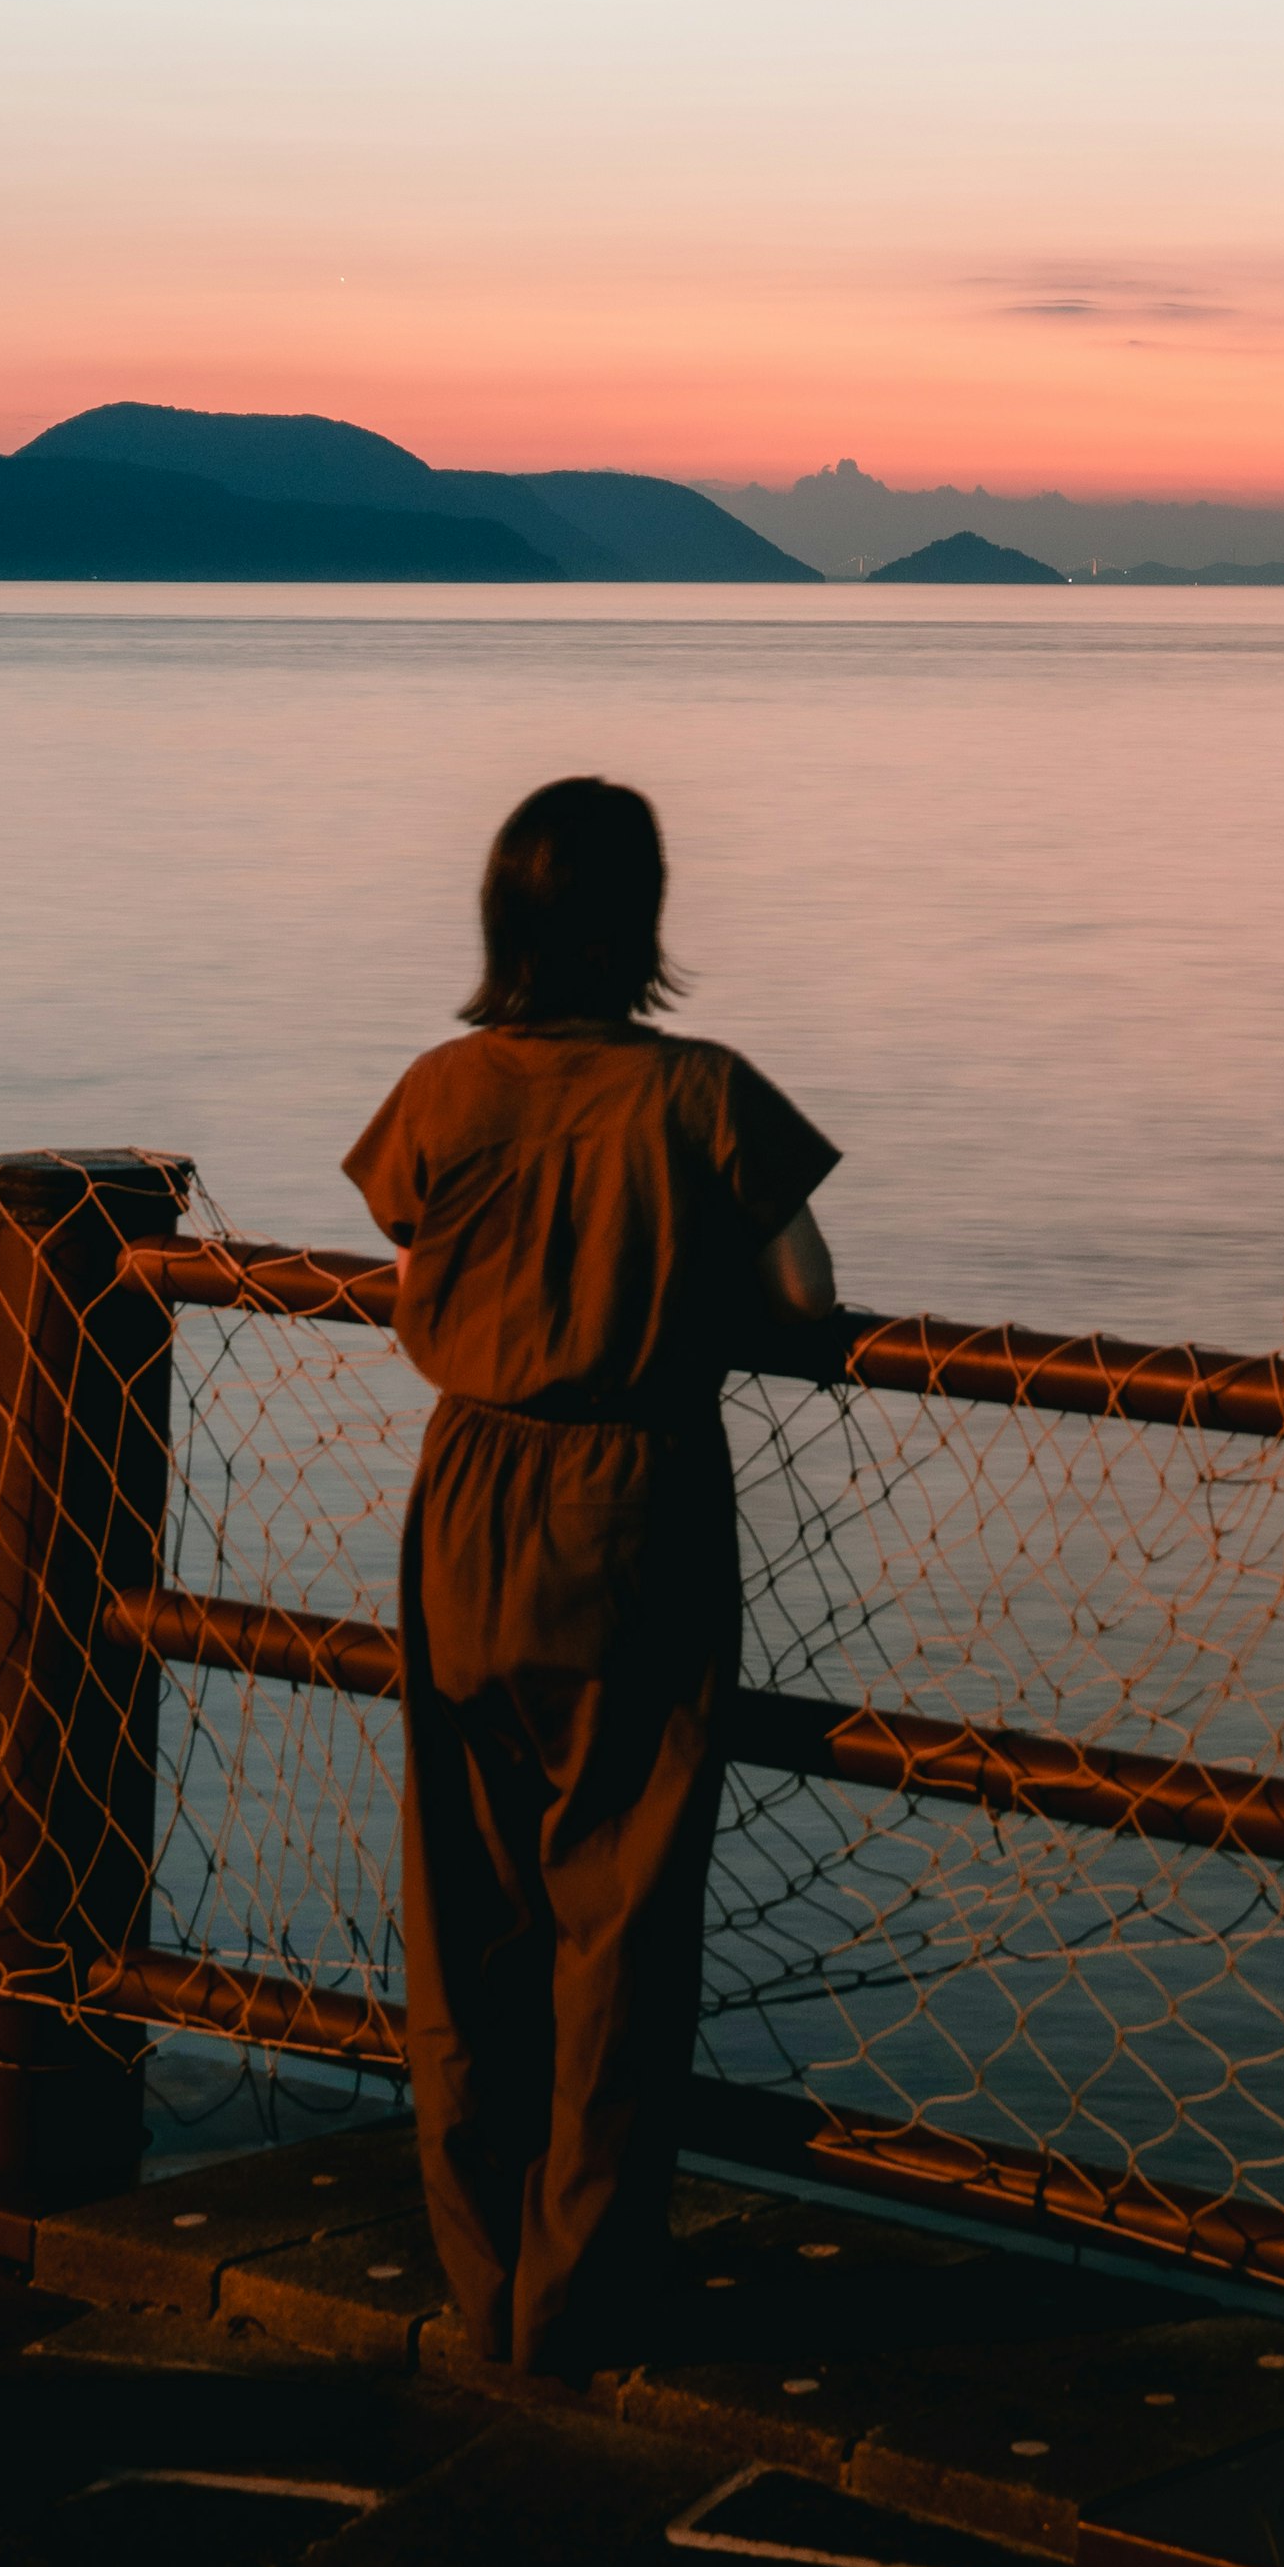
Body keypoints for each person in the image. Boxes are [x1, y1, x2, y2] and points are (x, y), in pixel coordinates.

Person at [344, 773, 839, 2376]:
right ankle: (581, 2297)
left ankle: (482, 2282)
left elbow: (417, 1261)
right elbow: (804, 1298)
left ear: (501, 915)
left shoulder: (440, 1088)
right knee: (618, 1912)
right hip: (634, 1497)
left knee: (463, 1909)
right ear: (643, 923)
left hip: (466, 1491)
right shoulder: (703, 1094)